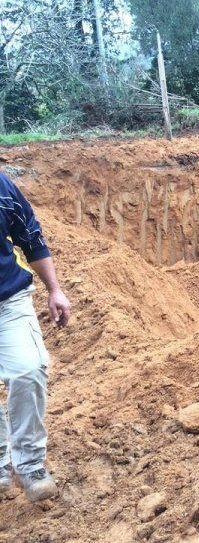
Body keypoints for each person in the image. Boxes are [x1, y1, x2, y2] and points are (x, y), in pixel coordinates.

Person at [0, 172, 71, 502]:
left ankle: (30, 464)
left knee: (29, 370)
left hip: (9, 301)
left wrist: (54, 290)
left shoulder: (2, 186)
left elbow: (30, 236)